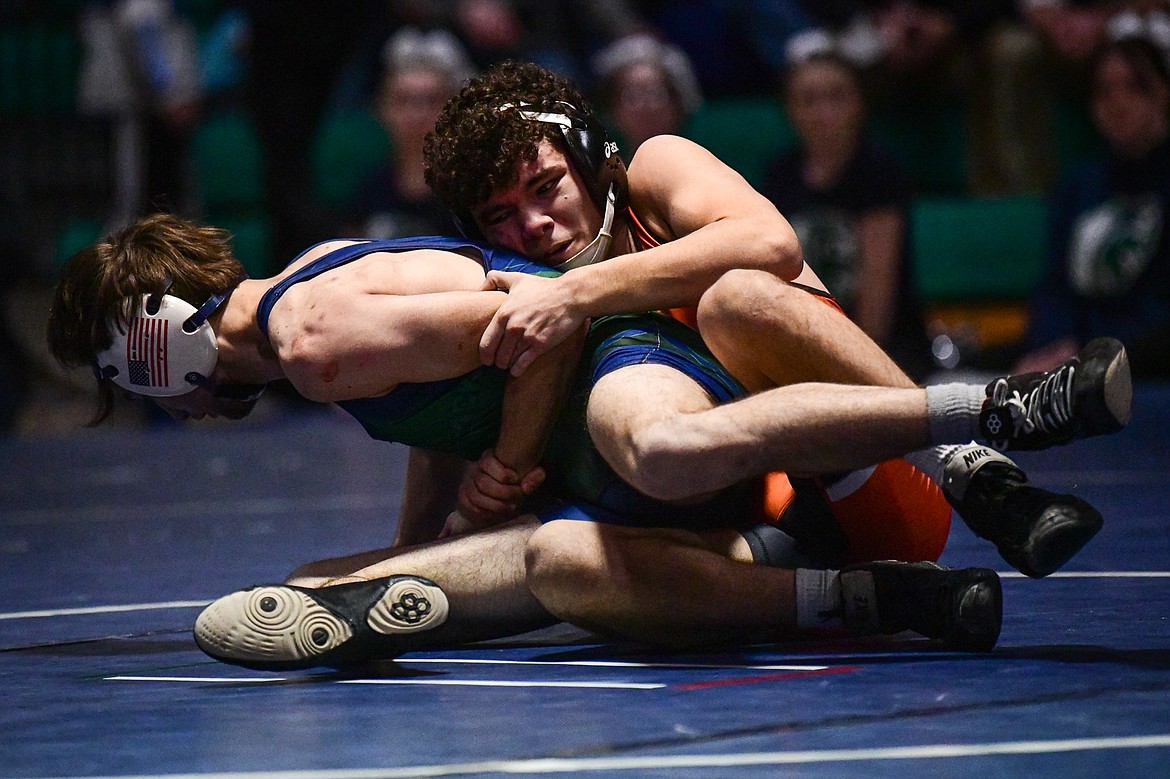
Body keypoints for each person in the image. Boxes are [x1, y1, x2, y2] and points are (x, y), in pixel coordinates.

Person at [46, 212, 1128, 668]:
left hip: (619, 377)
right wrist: (429, 525)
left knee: (650, 456)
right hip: (582, 456)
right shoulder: (301, 304)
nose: (149, 403)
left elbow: (539, 322)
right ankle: (861, 586)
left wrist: (506, 466)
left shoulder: (319, 337)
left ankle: (992, 411)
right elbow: (446, 402)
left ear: (157, 344)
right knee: (330, 579)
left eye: (126, 379)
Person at [422, 60, 1114, 582]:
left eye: (545, 189)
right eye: (501, 216)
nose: (534, 225)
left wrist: (577, 294)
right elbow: (444, 406)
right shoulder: (511, 289)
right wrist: (483, 484)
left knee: (737, 301)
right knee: (562, 559)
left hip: (868, 487)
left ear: (588, 160)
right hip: (747, 546)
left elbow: (772, 243)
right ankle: (869, 597)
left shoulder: (655, 175)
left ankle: (968, 461)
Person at [761, 47, 932, 380]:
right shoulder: (780, 175)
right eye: (809, 100)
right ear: (790, 110)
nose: (824, 111)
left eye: (837, 97)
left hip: (884, 354)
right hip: (802, 346)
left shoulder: (878, 172)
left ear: (859, 103)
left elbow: (877, 308)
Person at [1015, 30, 1170, 379]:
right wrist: (1053, 345)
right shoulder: (1078, 185)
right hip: (1073, 359)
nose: (1118, 102)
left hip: (1146, 364)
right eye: (1104, 91)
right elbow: (1055, 288)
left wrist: (1087, 351)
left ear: (1163, 93)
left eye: (1134, 87)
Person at [345, 28, 475, 241]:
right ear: (382, 109)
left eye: (431, 100)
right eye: (403, 100)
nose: (417, 114)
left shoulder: (472, 195)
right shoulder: (368, 193)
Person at [590, 33, 702, 154]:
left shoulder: (705, 162)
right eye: (632, 96)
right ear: (612, 108)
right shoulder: (601, 169)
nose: (646, 105)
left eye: (656, 93)